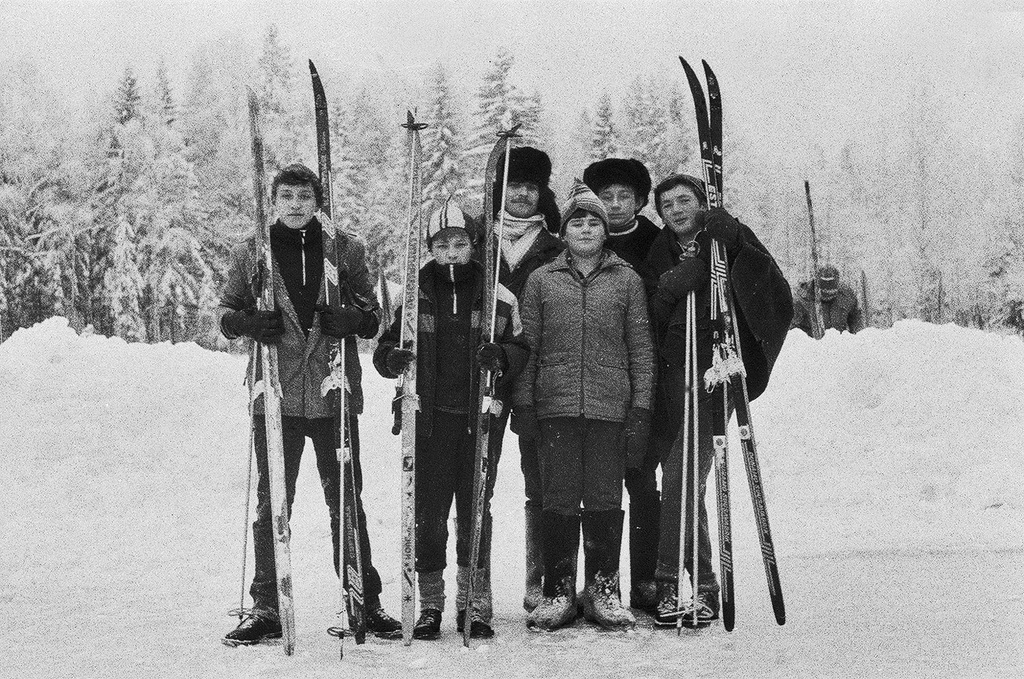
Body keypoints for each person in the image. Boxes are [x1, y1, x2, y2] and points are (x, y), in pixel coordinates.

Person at [219, 164, 402, 645]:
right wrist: (248, 322)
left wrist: (355, 318)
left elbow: (376, 315)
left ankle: (365, 598)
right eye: (287, 196)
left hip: (331, 389)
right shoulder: (253, 253)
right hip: (274, 394)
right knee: (272, 502)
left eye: (305, 195)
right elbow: (225, 313)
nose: (296, 204)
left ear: (318, 201)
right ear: (274, 201)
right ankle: (265, 606)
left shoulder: (346, 249)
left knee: (345, 497)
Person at [373, 199, 529, 640]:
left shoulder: (498, 294)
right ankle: (430, 604)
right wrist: (392, 359)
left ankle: (474, 602)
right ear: (430, 249)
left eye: (460, 243)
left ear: (474, 246)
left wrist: (500, 356)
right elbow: (384, 349)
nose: (452, 253)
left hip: (479, 417)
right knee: (430, 511)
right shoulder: (413, 293)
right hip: (429, 418)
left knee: (476, 507)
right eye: (442, 245)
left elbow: (520, 347)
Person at [642, 173, 792, 628]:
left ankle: (675, 581)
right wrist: (680, 278)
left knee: (682, 473)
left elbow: (775, 296)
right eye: (667, 205)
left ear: (702, 201)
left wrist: (736, 250)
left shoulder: (730, 233)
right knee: (683, 474)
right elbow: (653, 307)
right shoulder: (658, 252)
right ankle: (703, 584)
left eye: (684, 200)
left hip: (718, 371)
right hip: (675, 373)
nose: (677, 210)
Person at [514, 180, 655, 631]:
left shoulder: (627, 279)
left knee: (604, 498)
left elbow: (641, 349)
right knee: (556, 498)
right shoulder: (541, 280)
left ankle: (603, 590)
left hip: (609, 408)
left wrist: (640, 410)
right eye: (578, 220)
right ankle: (557, 591)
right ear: (564, 228)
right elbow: (527, 347)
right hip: (554, 406)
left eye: (595, 221)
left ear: (605, 230)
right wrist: (525, 406)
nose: (587, 228)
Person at [483, 146, 566, 613]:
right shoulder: (475, 240)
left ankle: (540, 582)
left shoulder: (555, 247)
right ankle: (478, 588)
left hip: (538, 375)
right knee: (480, 479)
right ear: (500, 189)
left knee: (541, 483)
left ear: (541, 194)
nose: (521, 195)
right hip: (486, 371)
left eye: (531, 188)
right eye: (514, 186)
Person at [583, 156, 661, 612]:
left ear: (639, 201)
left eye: (623, 197)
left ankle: (647, 580)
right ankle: (597, 585)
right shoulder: (583, 239)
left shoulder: (655, 241)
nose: (614, 205)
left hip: (643, 375)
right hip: (595, 381)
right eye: (605, 197)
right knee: (596, 489)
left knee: (641, 480)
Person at [791, 264, 864, 335]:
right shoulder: (802, 300)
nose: (828, 297)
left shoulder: (847, 296)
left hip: (840, 342)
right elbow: (792, 330)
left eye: (831, 293)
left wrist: (856, 336)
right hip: (813, 344)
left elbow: (856, 319)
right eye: (824, 293)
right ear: (816, 286)